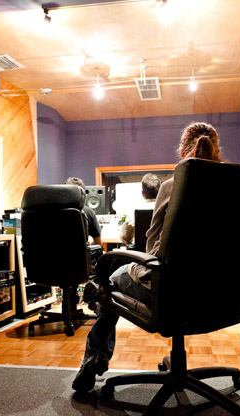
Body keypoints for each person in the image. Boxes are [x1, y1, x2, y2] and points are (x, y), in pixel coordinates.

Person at [72, 121, 226, 393]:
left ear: (183, 152)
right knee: (113, 280)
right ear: (217, 151)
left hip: (169, 291)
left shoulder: (173, 185)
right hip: (221, 294)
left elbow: (152, 247)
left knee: (110, 280)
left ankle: (95, 355)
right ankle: (95, 298)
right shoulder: (235, 188)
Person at [119, 173, 161, 245]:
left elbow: (124, 236)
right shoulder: (167, 211)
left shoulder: (134, 214)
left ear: (143, 194)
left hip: (141, 252)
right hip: (163, 251)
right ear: (160, 192)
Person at [65, 177, 102, 246]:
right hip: (81, 252)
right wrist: (89, 243)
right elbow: (98, 243)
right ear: (83, 195)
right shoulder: (88, 212)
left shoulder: (51, 211)